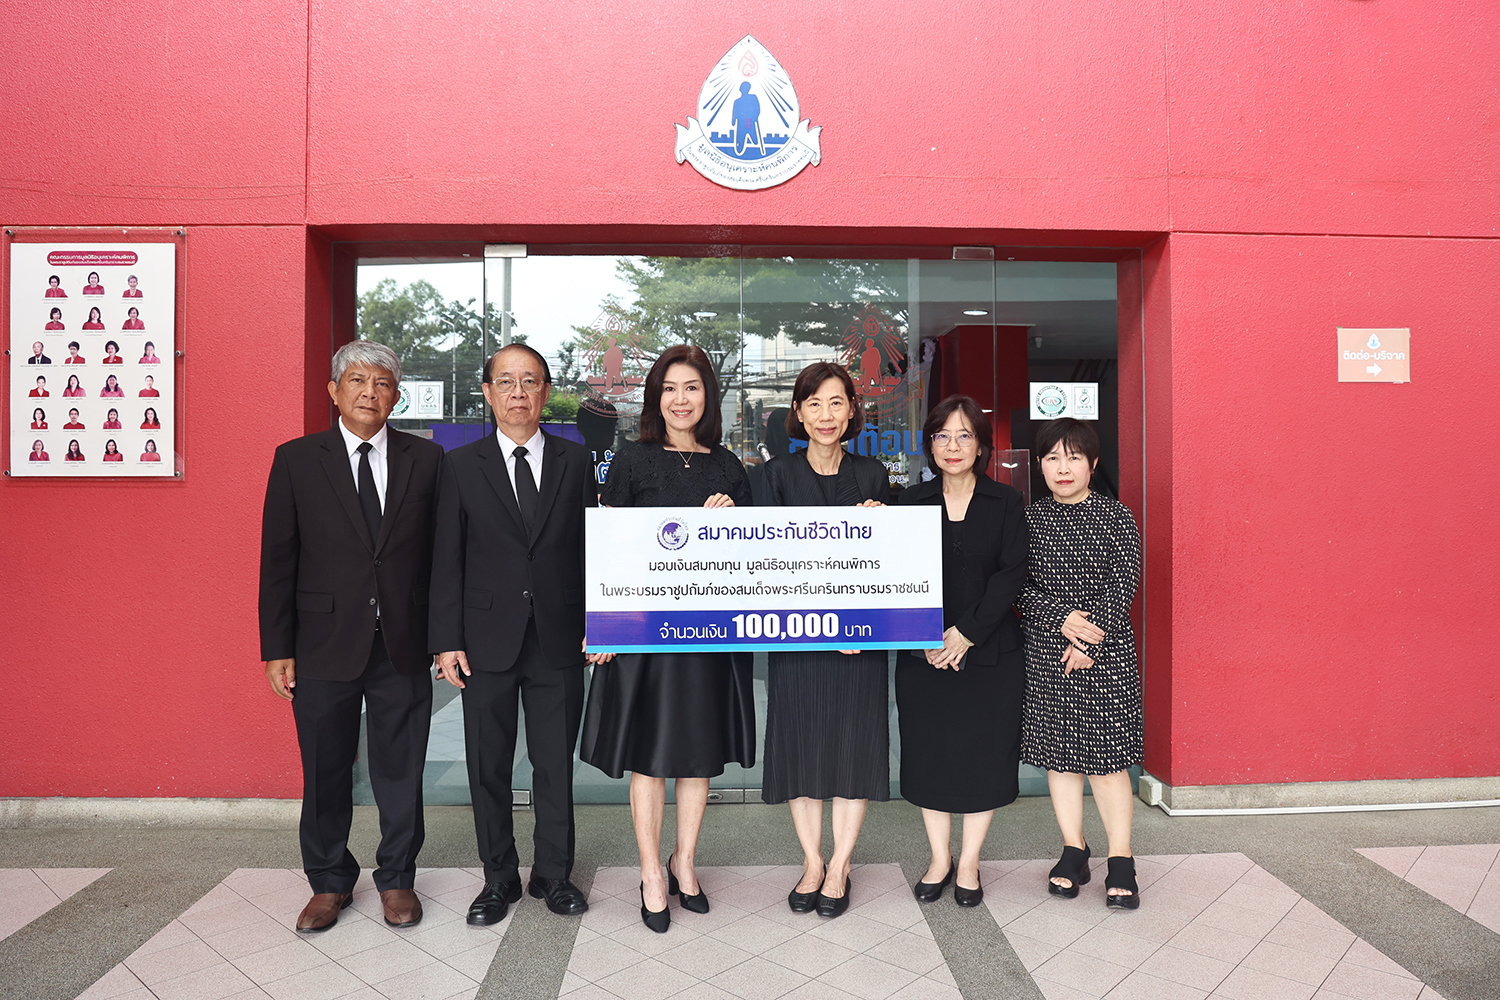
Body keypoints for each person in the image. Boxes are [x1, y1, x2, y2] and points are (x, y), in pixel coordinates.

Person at [259, 340, 443, 933]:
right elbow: (278, 560)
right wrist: (277, 648)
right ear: (333, 391)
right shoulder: (296, 460)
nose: (370, 392)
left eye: (383, 383)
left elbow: (442, 557)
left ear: (397, 395)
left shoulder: (426, 459)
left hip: (402, 642)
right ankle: (329, 880)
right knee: (325, 769)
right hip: (321, 643)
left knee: (401, 770)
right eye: (358, 381)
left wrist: (444, 636)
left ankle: (397, 877)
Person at [580, 344, 756, 934]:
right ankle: (651, 871)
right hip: (644, 636)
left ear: (709, 396)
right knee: (650, 758)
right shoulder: (633, 460)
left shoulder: (729, 467)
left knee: (697, 755)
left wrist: (732, 524)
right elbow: (609, 548)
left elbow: (753, 562)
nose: (681, 400)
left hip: (707, 636)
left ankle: (685, 861)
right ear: (657, 398)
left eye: (692, 388)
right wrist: (603, 624)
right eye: (670, 389)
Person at [429, 343, 597, 925]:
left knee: (554, 765)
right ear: (488, 392)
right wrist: (446, 638)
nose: (518, 392)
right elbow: (445, 558)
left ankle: (554, 874)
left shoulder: (576, 461)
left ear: (546, 391)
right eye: (506, 381)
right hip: (484, 641)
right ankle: (497, 878)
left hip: (559, 637)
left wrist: (599, 623)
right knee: (488, 766)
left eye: (530, 381)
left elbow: (590, 551)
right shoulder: (458, 465)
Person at [756, 362, 890, 919]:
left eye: (836, 403)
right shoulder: (774, 476)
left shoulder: (873, 475)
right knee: (801, 750)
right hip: (798, 640)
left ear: (852, 410)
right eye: (814, 403)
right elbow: (766, 562)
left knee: (854, 750)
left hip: (859, 643)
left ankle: (841, 865)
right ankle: (812, 862)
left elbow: (888, 567)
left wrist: (882, 524)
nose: (826, 415)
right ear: (798, 411)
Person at [897, 395, 1028, 908]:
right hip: (924, 655)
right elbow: (896, 576)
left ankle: (969, 860)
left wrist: (965, 633)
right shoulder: (909, 502)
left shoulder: (1006, 502)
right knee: (930, 753)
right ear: (930, 445)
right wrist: (929, 635)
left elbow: (1012, 574)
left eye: (964, 436)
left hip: (991, 653)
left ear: (980, 446)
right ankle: (939, 858)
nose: (953, 446)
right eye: (942, 436)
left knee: (984, 756)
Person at [1015, 418, 1143, 910]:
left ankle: (1121, 858)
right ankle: (1074, 849)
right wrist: (1062, 620)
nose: (1062, 468)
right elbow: (1019, 587)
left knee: (1107, 763)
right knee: (1061, 758)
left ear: (1092, 464)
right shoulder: (1028, 520)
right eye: (1052, 458)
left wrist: (1090, 638)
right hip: (1048, 652)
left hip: (1106, 655)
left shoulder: (1117, 516)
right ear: (1040, 465)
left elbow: (1124, 581)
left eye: (1073, 457)